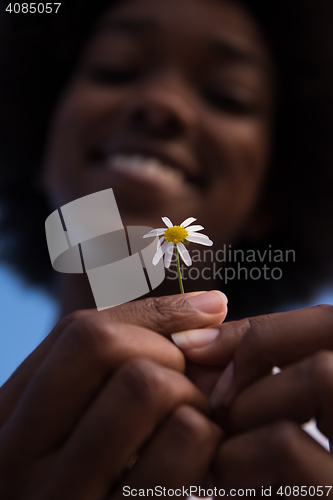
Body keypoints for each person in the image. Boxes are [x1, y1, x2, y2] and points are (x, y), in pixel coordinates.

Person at [1, 0, 333, 497]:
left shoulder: (299, 464)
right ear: (40, 143)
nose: (161, 103)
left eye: (228, 96)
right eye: (114, 69)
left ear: (270, 197)